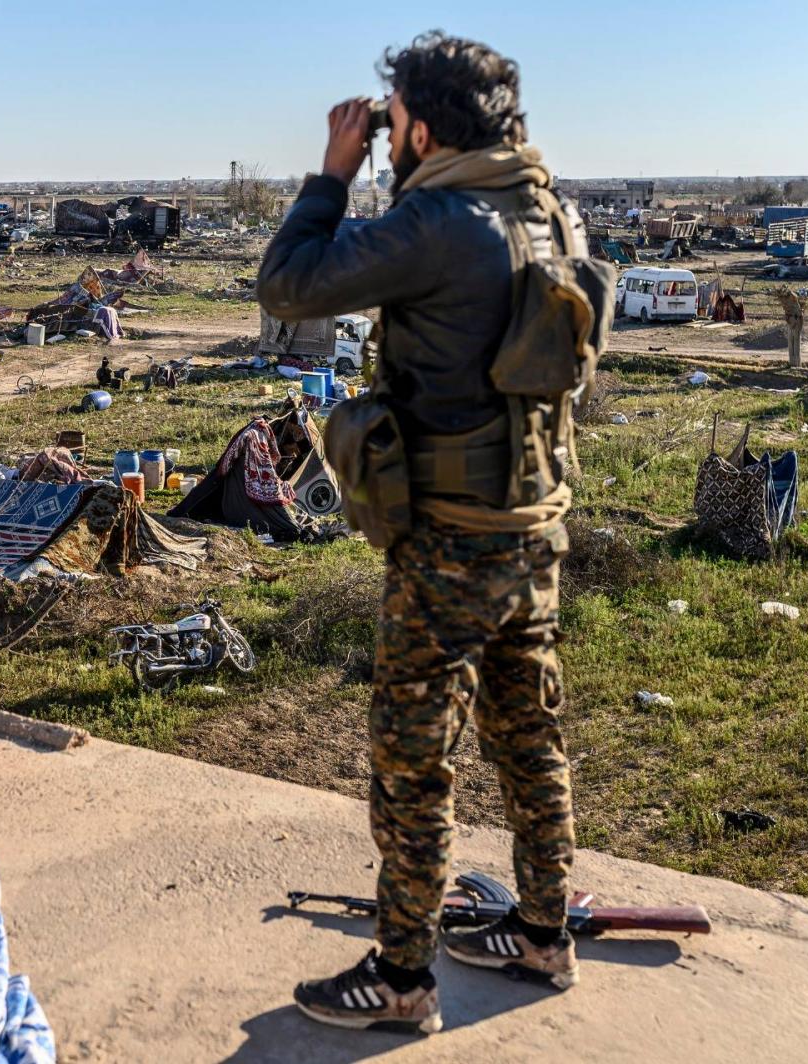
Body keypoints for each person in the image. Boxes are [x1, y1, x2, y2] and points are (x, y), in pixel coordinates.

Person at [258, 31, 585, 1033]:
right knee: (529, 737)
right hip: (532, 530)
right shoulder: (546, 211)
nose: (384, 137)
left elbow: (290, 284)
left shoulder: (443, 219)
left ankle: (401, 974)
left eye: (392, 122)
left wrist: (331, 175)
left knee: (412, 756)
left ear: (425, 128)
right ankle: (541, 929)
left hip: (448, 540)